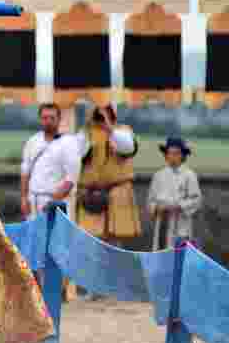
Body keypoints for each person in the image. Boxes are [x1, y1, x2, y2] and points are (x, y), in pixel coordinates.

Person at [72, 104, 141, 247]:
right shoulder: (84, 134)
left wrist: (109, 128)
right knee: (89, 240)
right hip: (89, 195)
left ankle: (114, 269)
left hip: (116, 193)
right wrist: (87, 128)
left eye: (106, 112)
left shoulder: (123, 131)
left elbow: (127, 147)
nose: (101, 116)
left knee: (114, 242)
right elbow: (77, 153)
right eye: (97, 112)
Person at [20, 103, 81, 220]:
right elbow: (25, 171)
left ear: (59, 119)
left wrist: (52, 203)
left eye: (52, 118)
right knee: (35, 237)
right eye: (44, 118)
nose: (48, 121)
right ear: (40, 119)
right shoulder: (33, 141)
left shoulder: (69, 143)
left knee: (57, 237)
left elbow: (71, 179)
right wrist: (24, 198)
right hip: (34, 200)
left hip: (57, 202)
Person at [148, 137, 203, 250]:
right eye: (170, 153)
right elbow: (151, 200)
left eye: (176, 153)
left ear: (183, 155)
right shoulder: (158, 175)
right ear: (166, 155)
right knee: (161, 253)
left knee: (179, 254)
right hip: (162, 223)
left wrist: (179, 206)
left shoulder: (189, 175)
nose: (172, 156)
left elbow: (196, 200)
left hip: (180, 224)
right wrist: (156, 208)